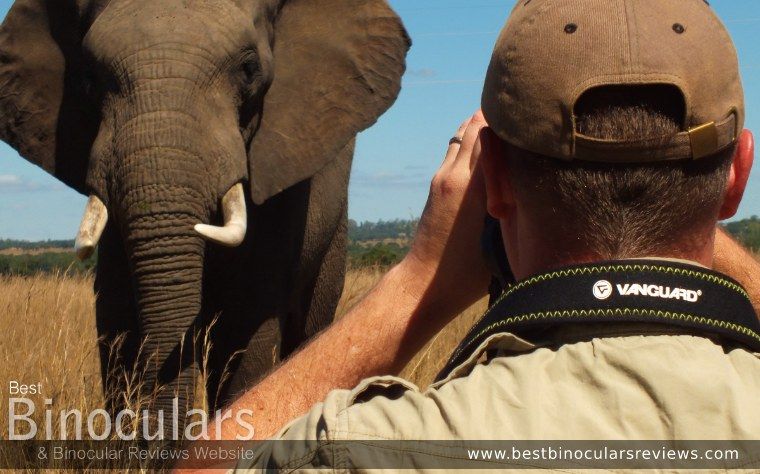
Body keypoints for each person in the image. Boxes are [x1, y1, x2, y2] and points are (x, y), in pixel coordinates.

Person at [179, 0, 760, 470]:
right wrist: (683, 222)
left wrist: (416, 285)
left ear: (494, 181)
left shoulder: (382, 446)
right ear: (737, 177)